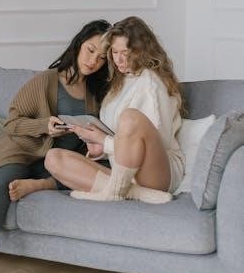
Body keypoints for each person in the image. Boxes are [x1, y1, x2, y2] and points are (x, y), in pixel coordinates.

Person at [0, 19, 111, 273]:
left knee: (95, 172)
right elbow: (12, 123)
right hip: (21, 149)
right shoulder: (47, 80)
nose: (93, 61)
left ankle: (39, 184)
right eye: (90, 50)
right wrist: (43, 125)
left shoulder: (96, 95)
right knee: (3, 185)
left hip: (53, 160)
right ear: (79, 44)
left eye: (102, 57)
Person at [45, 16, 185, 204]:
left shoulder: (151, 84)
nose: (118, 59)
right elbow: (122, 142)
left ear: (141, 51)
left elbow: (150, 145)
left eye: (125, 52)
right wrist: (99, 149)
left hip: (159, 173)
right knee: (54, 158)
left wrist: (104, 141)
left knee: (130, 117)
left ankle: (116, 192)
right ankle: (135, 193)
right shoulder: (120, 82)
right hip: (124, 174)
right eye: (114, 51)